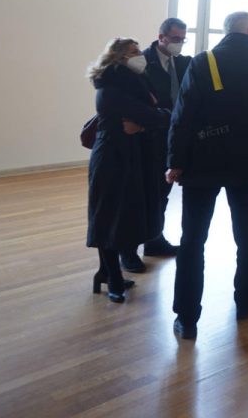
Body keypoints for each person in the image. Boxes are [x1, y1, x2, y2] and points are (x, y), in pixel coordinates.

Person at [166, 12, 248, 340]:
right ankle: (245, 303)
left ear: (225, 31)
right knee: (247, 233)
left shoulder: (203, 61)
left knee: (193, 239)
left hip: (203, 162)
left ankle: (187, 317)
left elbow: (183, 115)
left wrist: (175, 161)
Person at [86, 37, 169, 303]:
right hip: (113, 157)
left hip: (128, 155)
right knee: (109, 217)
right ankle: (113, 276)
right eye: (134, 52)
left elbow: (146, 116)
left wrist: (145, 124)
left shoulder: (133, 82)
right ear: (119, 57)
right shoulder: (113, 87)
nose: (140, 55)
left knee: (119, 216)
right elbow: (152, 115)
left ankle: (106, 272)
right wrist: (165, 116)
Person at [123, 17, 189, 269]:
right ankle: (128, 250)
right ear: (161, 37)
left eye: (182, 39)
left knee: (162, 193)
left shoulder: (183, 63)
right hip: (145, 138)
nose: (179, 43)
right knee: (138, 196)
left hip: (170, 138)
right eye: (175, 39)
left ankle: (154, 238)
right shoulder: (142, 62)